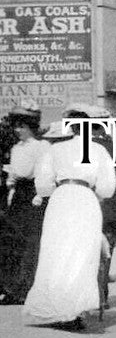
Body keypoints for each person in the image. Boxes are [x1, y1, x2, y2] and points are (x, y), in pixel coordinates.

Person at [22, 118, 116, 330]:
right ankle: (76, 309)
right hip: (85, 198)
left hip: (61, 198)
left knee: (56, 252)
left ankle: (53, 305)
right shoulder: (98, 150)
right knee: (82, 253)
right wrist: (96, 193)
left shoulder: (55, 149)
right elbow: (107, 187)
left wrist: (55, 188)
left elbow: (43, 184)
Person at [0, 102, 49, 305]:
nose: (18, 130)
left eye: (22, 126)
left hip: (34, 195)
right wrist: (11, 188)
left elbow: (42, 172)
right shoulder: (16, 148)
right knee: (12, 241)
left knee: (31, 243)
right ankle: (11, 287)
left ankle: (27, 287)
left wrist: (40, 194)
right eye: (16, 126)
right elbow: (14, 174)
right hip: (18, 195)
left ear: (31, 127)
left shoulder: (42, 147)